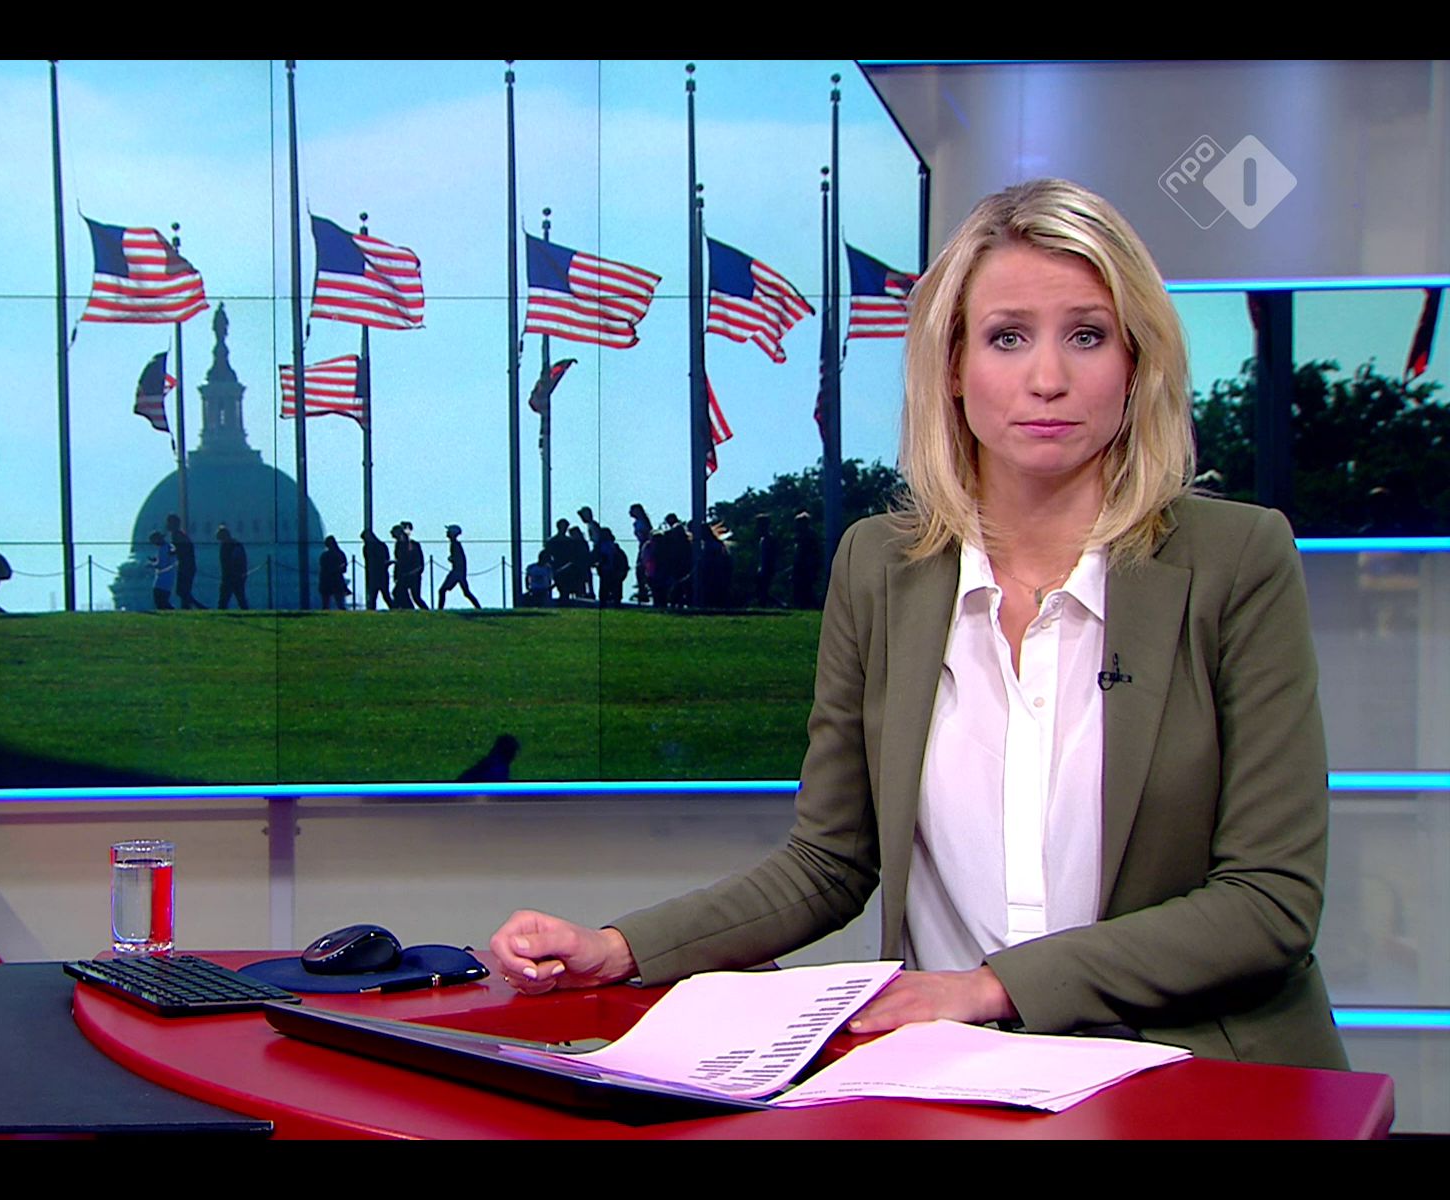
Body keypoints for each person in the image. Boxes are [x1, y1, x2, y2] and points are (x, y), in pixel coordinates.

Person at [489, 178, 1348, 1071]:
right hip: (951, 1080)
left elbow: (1269, 900)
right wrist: (620, 948)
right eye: (1007, 337)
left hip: (1191, 1071)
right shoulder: (879, 566)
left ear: (1136, 362)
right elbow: (828, 862)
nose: (1048, 379)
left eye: (1087, 335)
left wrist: (990, 988)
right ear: (952, 366)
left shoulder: (1235, 559)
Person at [437, 525, 481, 610]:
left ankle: (440, 610)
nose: (447, 533)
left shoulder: (455, 545)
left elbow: (459, 559)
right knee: (466, 593)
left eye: (449, 531)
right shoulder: (455, 544)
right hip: (459, 572)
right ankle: (478, 608)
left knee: (442, 590)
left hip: (456, 572)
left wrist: (452, 559)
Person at [166, 514, 204, 610]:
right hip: (186, 565)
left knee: (182, 591)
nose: (167, 525)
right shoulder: (180, 535)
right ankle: (187, 608)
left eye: (169, 523)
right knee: (183, 591)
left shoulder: (177, 535)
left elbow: (182, 550)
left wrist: (170, 552)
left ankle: (199, 607)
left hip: (186, 566)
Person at [791, 510, 822, 610]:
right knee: (802, 588)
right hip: (801, 565)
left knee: (805, 587)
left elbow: (811, 552)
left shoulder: (809, 536)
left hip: (806, 566)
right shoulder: (801, 536)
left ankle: (812, 606)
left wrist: (811, 566)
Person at [216, 524, 249, 610]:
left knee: (226, 600)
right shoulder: (234, 545)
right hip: (233, 576)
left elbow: (236, 561)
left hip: (232, 576)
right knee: (239, 599)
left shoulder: (232, 545)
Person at [594, 526, 629, 608]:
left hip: (608, 571)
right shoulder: (615, 548)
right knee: (614, 592)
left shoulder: (602, 547)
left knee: (605, 592)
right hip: (612, 571)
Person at [752, 513, 779, 607]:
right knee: (761, 592)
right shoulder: (763, 539)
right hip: (763, 569)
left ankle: (782, 605)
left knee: (763, 591)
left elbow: (770, 556)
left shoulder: (769, 539)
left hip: (767, 569)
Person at [362, 529, 393, 610]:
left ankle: (372, 610)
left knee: (376, 595)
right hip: (381, 573)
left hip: (375, 574)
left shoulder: (368, 547)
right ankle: (393, 608)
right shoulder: (381, 545)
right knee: (383, 595)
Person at [319, 535, 350, 610]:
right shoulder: (340, 554)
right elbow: (344, 569)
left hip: (329, 580)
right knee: (339, 602)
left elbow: (322, 568)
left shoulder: (324, 555)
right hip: (336, 579)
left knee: (327, 603)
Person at [148, 531, 175, 611]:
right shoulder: (168, 546)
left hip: (163, 577)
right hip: (169, 576)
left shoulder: (163, 549)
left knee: (160, 600)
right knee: (162, 599)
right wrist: (155, 560)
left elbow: (162, 564)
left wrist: (151, 565)